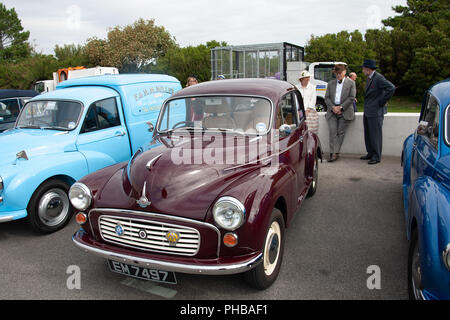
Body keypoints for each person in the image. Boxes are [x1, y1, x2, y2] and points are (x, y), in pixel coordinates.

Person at [360, 59, 395, 164]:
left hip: (375, 111)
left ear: (368, 69)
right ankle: (370, 153)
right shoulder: (370, 78)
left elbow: (391, 88)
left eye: (363, 68)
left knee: (375, 134)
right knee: (368, 133)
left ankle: (376, 156)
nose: (362, 70)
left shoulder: (378, 78)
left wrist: (382, 101)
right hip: (368, 111)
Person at [324, 64, 356, 162]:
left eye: (340, 73)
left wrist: (341, 108)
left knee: (340, 133)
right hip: (332, 111)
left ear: (345, 72)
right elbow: (327, 98)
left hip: (345, 111)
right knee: (333, 132)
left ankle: (335, 153)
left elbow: (351, 97)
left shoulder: (351, 83)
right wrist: (333, 107)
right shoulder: (330, 83)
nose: (338, 75)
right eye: (337, 73)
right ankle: (333, 152)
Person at [295, 70, 319, 135]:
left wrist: (307, 109)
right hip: (299, 111)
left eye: (308, 77)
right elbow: (296, 100)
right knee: (300, 130)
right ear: (302, 79)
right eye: (306, 77)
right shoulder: (296, 87)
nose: (308, 79)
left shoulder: (312, 87)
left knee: (311, 131)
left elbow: (313, 99)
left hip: (310, 111)